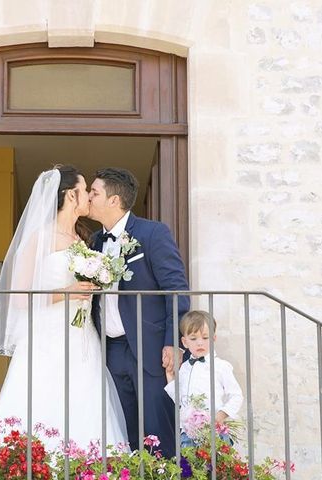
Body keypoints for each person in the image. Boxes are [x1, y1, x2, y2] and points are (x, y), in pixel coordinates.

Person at [0, 165, 128, 451]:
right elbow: (18, 297)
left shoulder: (84, 239)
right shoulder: (39, 237)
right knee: (44, 400)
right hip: (47, 338)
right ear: (69, 195)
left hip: (82, 338)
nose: (89, 197)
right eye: (84, 191)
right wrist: (66, 293)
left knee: (85, 401)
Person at [87, 167, 190, 458]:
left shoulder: (153, 233)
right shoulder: (94, 242)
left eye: (94, 192)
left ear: (114, 200)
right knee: (122, 432)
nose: (88, 198)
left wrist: (172, 341)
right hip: (110, 350)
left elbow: (176, 288)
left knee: (158, 431)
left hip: (150, 347)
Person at [164, 311, 243, 448]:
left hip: (214, 431)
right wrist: (171, 378)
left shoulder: (221, 366)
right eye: (193, 339)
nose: (200, 343)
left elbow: (236, 395)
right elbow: (181, 400)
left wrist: (221, 415)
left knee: (216, 468)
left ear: (213, 339)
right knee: (190, 468)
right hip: (188, 434)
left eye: (205, 338)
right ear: (185, 342)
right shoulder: (184, 368)